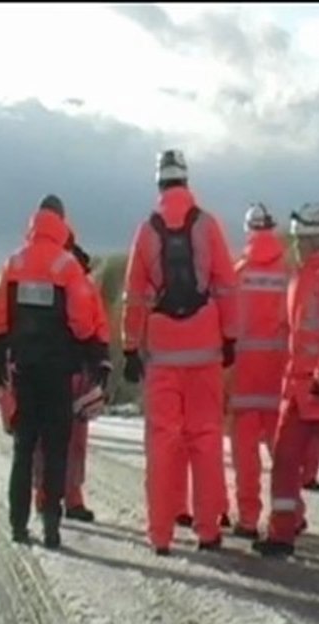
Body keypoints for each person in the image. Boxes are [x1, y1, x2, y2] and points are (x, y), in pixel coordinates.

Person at [121, 149, 237, 555]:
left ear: (159, 184)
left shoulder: (147, 231)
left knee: (162, 442)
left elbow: (135, 295)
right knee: (205, 440)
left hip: (164, 349)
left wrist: (130, 346)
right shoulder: (208, 226)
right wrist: (230, 337)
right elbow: (225, 284)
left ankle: (160, 535)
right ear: (186, 181)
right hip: (205, 347)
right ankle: (208, 531)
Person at [0, 193, 102, 549]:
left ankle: (18, 526)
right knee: (55, 450)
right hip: (57, 374)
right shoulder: (67, 266)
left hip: (24, 373)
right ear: (62, 224)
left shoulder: (13, 264)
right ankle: (52, 525)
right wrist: (92, 355)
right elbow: (82, 321)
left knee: (23, 451)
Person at [253, 203, 319, 558]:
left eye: (300, 240)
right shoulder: (304, 277)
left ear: (315, 239)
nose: (296, 246)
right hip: (300, 389)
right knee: (286, 461)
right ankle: (281, 533)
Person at [32, 240, 112, 523]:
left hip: (65, 369)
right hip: (69, 369)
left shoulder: (48, 276)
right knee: (68, 439)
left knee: (51, 438)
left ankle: (54, 496)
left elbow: (99, 323)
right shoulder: (81, 282)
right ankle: (60, 497)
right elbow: (98, 325)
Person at [228, 202, 291, 538]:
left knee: (246, 457)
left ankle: (249, 519)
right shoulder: (287, 273)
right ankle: (290, 518)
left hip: (245, 378)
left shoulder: (239, 273)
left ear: (249, 230)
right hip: (278, 377)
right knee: (284, 455)